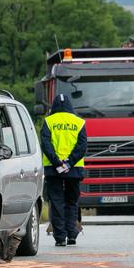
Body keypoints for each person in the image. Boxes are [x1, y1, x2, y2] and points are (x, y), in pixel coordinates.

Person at [40, 94, 87, 247]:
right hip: (73, 169)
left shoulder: (48, 121)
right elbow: (82, 147)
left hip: (53, 169)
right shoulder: (79, 122)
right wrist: (69, 163)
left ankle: (60, 238)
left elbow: (46, 144)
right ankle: (72, 234)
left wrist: (57, 163)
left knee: (57, 202)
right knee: (72, 201)